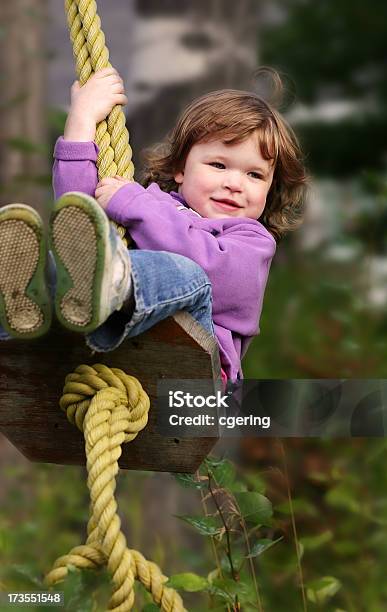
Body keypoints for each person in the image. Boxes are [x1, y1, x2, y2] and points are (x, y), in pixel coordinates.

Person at [0, 67, 307, 381]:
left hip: (194, 378)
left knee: (190, 273)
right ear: (180, 169)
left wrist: (135, 206)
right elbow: (80, 215)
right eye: (218, 165)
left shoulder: (251, 240)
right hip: (111, 354)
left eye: (254, 175)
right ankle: (28, 295)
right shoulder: (150, 205)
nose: (235, 183)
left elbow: (214, 271)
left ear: (271, 188)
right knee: (69, 254)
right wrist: (81, 121)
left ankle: (110, 278)